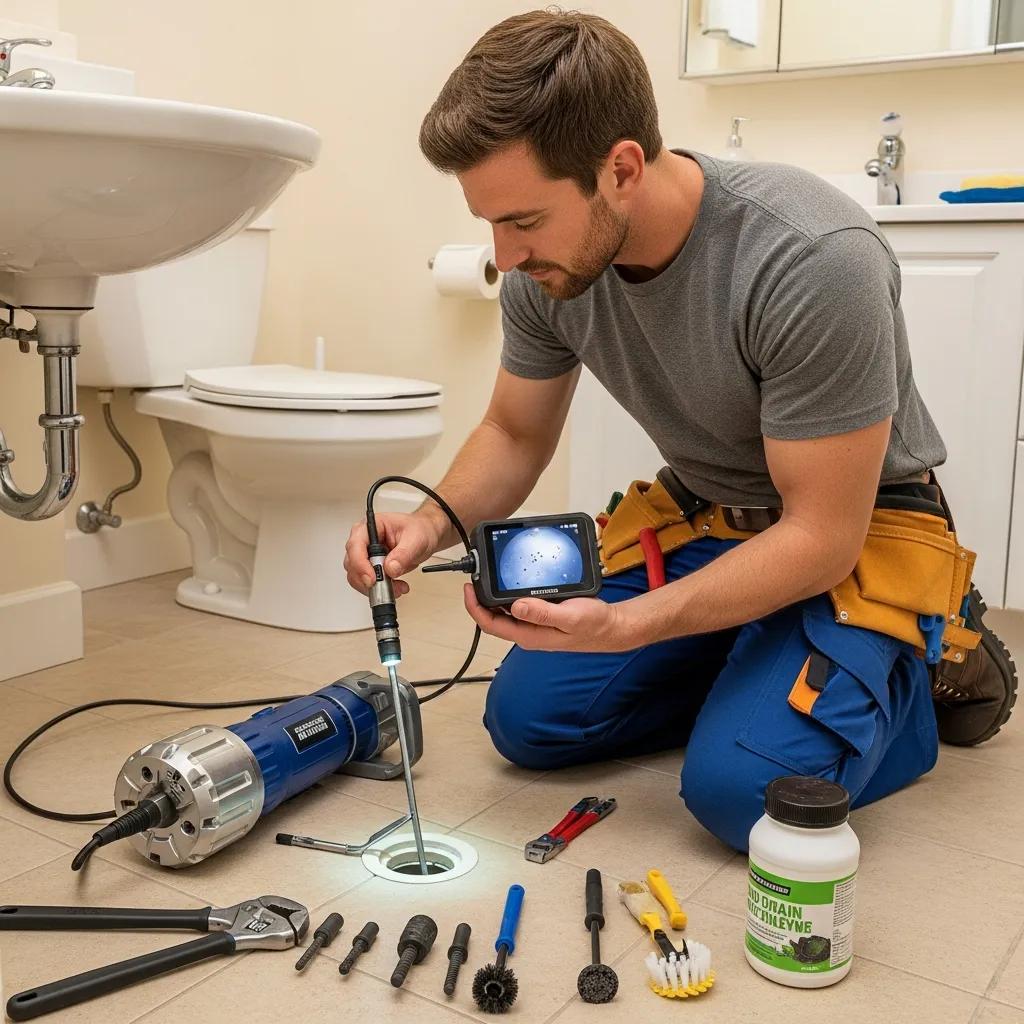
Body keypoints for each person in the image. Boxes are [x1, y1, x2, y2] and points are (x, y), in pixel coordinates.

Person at [344, 9, 1017, 852]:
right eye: (490, 222)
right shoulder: (545, 277)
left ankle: (918, 673)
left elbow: (821, 535)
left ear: (621, 169)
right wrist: (429, 523)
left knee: (746, 797)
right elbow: (513, 433)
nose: (504, 255)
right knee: (528, 723)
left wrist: (633, 626)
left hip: (854, 533)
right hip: (708, 517)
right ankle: (752, 668)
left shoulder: (812, 258)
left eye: (523, 221)